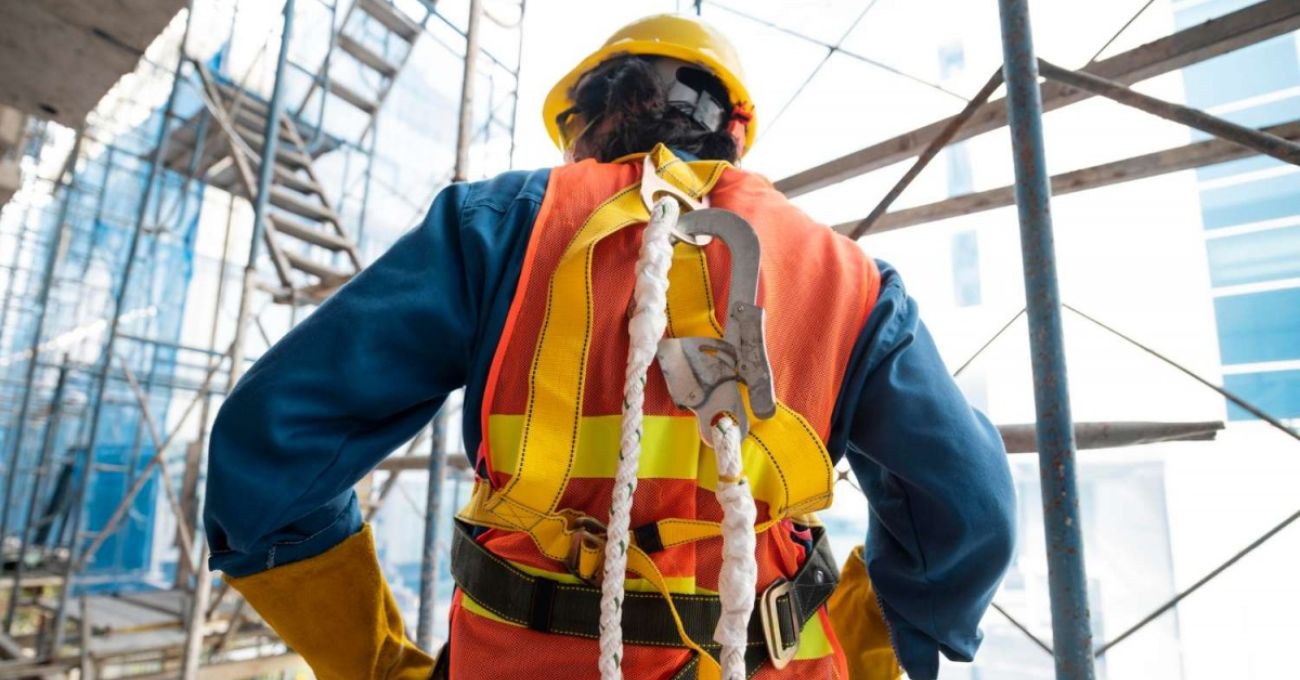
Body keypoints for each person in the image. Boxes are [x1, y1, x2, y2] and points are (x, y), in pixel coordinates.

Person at [204, 13, 1015, 680]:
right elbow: (968, 505)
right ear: (733, 128)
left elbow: (270, 446)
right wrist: (864, 647)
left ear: (584, 127)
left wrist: (372, 661)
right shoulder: (846, 277)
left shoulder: (500, 228)